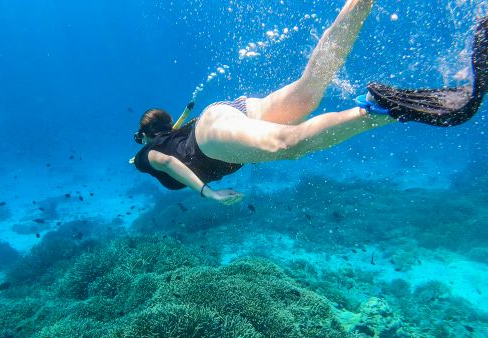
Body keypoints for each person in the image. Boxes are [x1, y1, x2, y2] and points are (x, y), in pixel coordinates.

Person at [133, 0, 487, 205]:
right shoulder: (168, 134)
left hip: (210, 141)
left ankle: (380, 109)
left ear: (146, 136)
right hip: (227, 113)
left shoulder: (148, 154)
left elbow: (167, 161)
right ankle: (359, 5)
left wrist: (207, 192)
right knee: (308, 92)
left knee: (287, 145)